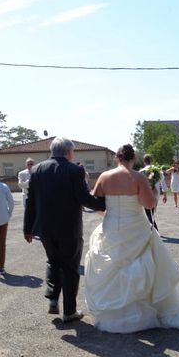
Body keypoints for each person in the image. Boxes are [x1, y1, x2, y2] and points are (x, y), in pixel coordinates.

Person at [84, 144, 179, 333]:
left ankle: (116, 313)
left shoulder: (104, 177)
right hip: (136, 226)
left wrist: (110, 215)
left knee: (113, 266)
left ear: (117, 158)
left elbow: (96, 204)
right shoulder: (138, 177)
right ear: (133, 158)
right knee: (145, 264)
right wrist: (155, 191)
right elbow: (148, 204)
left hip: (112, 226)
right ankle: (148, 309)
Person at [23, 136, 106, 322]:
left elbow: (30, 202)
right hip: (69, 228)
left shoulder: (36, 170)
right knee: (70, 267)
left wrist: (27, 229)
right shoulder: (75, 170)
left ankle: (53, 297)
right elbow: (84, 198)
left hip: (44, 228)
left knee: (53, 261)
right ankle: (69, 311)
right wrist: (105, 203)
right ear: (69, 152)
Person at [140, 154, 167, 231]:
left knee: (148, 213)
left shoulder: (142, 172)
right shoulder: (158, 171)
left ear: (144, 161)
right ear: (151, 161)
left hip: (145, 194)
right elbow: (163, 183)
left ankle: (153, 230)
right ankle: (152, 229)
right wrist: (165, 195)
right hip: (156, 194)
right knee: (152, 212)